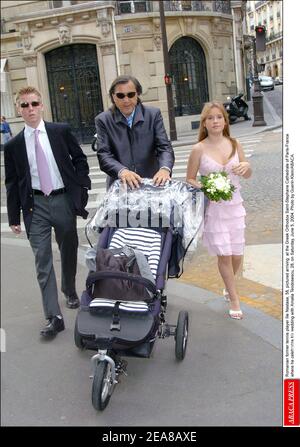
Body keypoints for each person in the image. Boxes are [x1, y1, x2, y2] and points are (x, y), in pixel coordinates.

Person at [4, 86, 91, 338]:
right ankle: (53, 316)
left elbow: (80, 160)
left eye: (34, 104)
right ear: (19, 110)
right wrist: (13, 217)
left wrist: (81, 187)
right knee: (42, 260)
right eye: (24, 105)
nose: (30, 109)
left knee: (68, 249)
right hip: (35, 206)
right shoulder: (13, 145)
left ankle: (69, 289)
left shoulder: (60, 131)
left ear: (42, 105)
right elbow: (12, 182)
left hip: (63, 199)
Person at [186, 101, 252, 320]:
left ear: (225, 120)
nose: (215, 121)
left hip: (235, 207)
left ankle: (228, 284)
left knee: (237, 254)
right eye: (210, 118)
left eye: (219, 117)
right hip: (214, 209)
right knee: (224, 254)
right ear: (204, 123)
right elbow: (190, 179)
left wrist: (246, 168)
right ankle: (234, 298)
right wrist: (207, 186)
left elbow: (247, 173)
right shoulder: (199, 149)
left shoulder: (234, 144)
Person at [95, 75, 175, 189]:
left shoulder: (153, 114)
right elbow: (104, 155)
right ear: (113, 96)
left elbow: (164, 147)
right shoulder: (103, 120)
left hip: (152, 183)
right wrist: (122, 171)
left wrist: (164, 169)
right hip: (120, 187)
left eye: (131, 94)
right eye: (120, 95)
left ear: (137, 94)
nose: (126, 100)